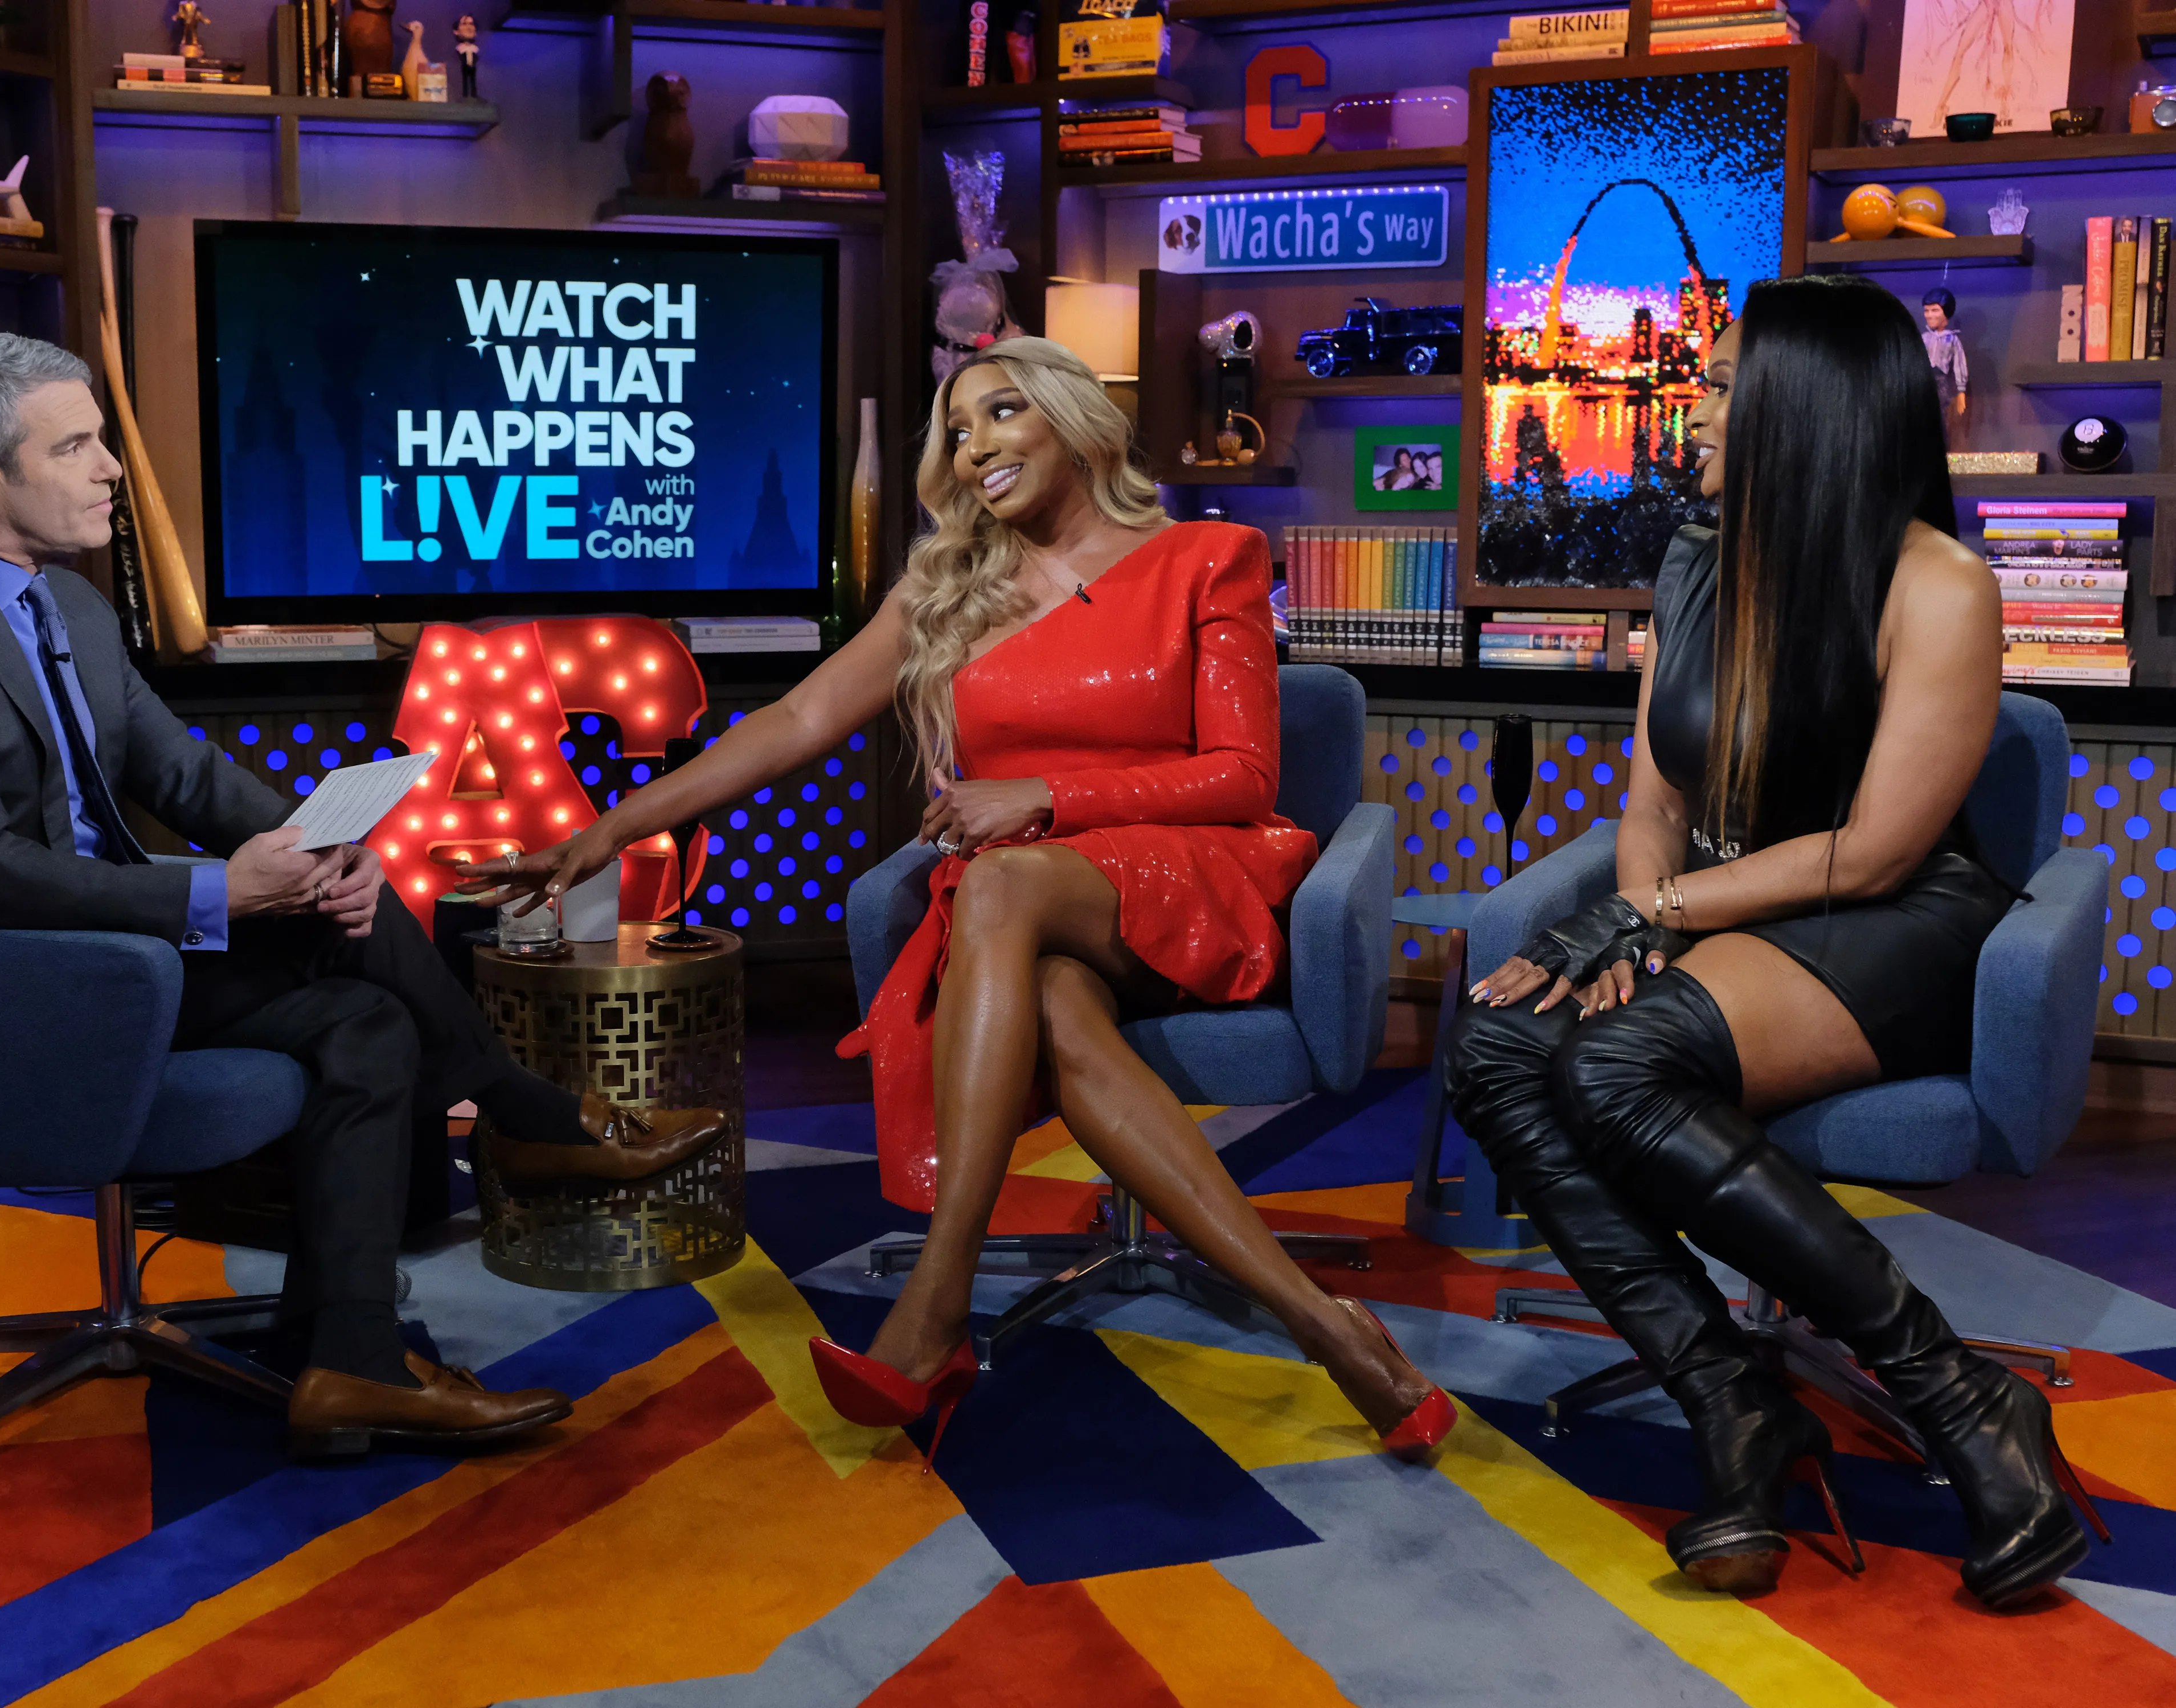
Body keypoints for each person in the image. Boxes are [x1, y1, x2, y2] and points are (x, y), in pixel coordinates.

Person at [464, 336, 1454, 1465]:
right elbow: (791, 722)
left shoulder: (1207, 557)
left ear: (1076, 419)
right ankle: (1328, 1328)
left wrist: (1041, 796)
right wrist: (608, 830)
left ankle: (935, 1308)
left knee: (995, 881)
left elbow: (1245, 778)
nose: (974, 446)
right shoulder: (950, 593)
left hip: (1193, 875)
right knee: (1056, 1010)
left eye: (999, 413)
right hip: (1034, 910)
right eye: (958, 431)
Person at [0, 329, 719, 1459]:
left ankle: (347, 1360)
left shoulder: (72, 608)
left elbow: (183, 776)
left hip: (109, 949)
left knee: (369, 1010)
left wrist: (310, 849)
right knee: (352, 970)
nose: (109, 470)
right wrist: (219, 898)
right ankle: (524, 1126)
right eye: (78, 445)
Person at [1444, 274, 2104, 1608]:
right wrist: (1635, 911)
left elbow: (1870, 851)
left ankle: (1960, 1395)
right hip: (1727, 905)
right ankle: (1731, 1400)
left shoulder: (1939, 582)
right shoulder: (1690, 560)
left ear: (1805, 406)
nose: (1690, 403)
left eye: (1722, 381)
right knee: (1498, 1047)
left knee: (1613, 1068)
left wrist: (1650, 913)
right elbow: (1652, 801)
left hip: (1889, 923)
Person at [1920, 286, 1969, 451]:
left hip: (1941, 384)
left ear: (1945, 313)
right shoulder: (1923, 339)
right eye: (1927, 311)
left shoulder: (1952, 339)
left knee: (1941, 418)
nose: (1930, 315)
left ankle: (1940, 451)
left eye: (1935, 310)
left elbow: (1959, 365)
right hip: (1923, 383)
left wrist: (1961, 392)